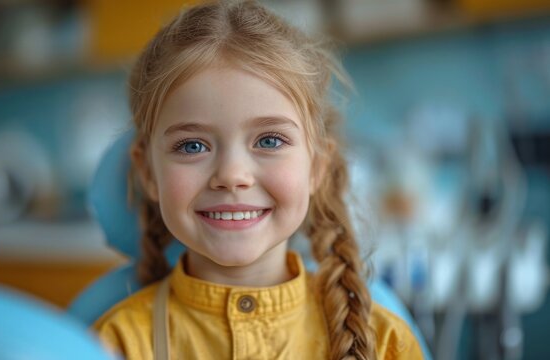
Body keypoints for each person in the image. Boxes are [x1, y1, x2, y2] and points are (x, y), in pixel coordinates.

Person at [95, 1, 425, 359]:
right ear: (148, 172)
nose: (232, 176)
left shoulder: (386, 341)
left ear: (316, 166)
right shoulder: (115, 345)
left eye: (269, 141)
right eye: (192, 145)